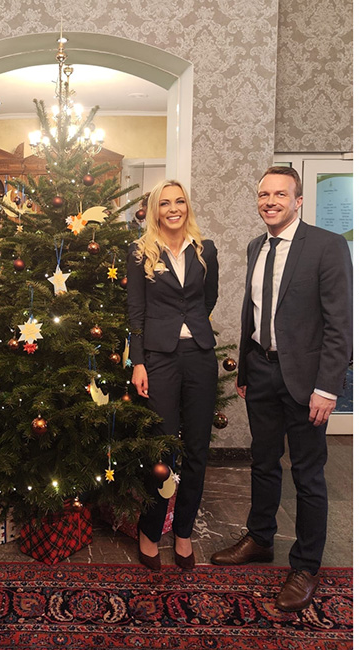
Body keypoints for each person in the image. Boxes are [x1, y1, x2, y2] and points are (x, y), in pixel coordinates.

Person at [210, 166, 352, 612]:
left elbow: (339, 325)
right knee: (263, 462)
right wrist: (247, 372)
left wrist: (328, 388)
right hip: (263, 373)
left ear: (298, 200)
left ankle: (306, 565)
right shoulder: (257, 246)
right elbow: (253, 316)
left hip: (307, 381)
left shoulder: (327, 247)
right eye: (263, 194)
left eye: (279, 194)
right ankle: (260, 538)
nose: (270, 201)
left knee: (308, 475)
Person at [127, 179, 219, 571]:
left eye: (179, 201)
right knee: (163, 451)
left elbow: (208, 297)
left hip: (199, 354)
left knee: (197, 450)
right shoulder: (139, 252)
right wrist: (138, 361)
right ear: (155, 210)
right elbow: (136, 310)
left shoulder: (205, 251)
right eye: (165, 203)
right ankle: (149, 532)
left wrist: (191, 323)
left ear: (187, 206)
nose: (173, 208)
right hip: (159, 359)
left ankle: (183, 533)